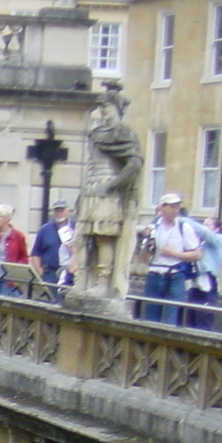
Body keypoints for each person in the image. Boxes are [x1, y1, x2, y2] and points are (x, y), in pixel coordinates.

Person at [72, 81, 143, 308]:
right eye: (101, 106)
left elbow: (134, 164)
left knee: (103, 238)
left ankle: (103, 283)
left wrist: (113, 184)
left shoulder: (123, 132)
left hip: (108, 192)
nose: (103, 110)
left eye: (107, 106)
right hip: (91, 190)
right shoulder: (96, 132)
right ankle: (81, 281)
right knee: (82, 239)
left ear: (117, 107)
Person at [142, 192, 204, 325]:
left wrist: (175, 254)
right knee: (150, 317)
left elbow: (197, 254)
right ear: (162, 208)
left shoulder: (184, 227)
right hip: (155, 273)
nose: (175, 211)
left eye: (177, 207)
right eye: (172, 207)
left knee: (173, 317)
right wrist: (146, 241)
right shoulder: (153, 228)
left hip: (176, 273)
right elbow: (143, 258)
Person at [186, 215, 222, 330]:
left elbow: (204, 232)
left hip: (209, 283)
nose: (204, 227)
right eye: (203, 224)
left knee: (204, 320)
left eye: (208, 225)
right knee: (190, 320)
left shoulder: (218, 239)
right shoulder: (200, 242)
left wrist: (184, 219)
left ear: (217, 228)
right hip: (196, 284)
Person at [29, 201, 75, 299]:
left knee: (67, 304)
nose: (59, 213)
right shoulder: (44, 230)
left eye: (62, 210)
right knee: (48, 302)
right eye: (56, 211)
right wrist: (40, 272)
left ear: (68, 211)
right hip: (49, 273)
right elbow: (35, 253)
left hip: (70, 274)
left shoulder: (76, 228)